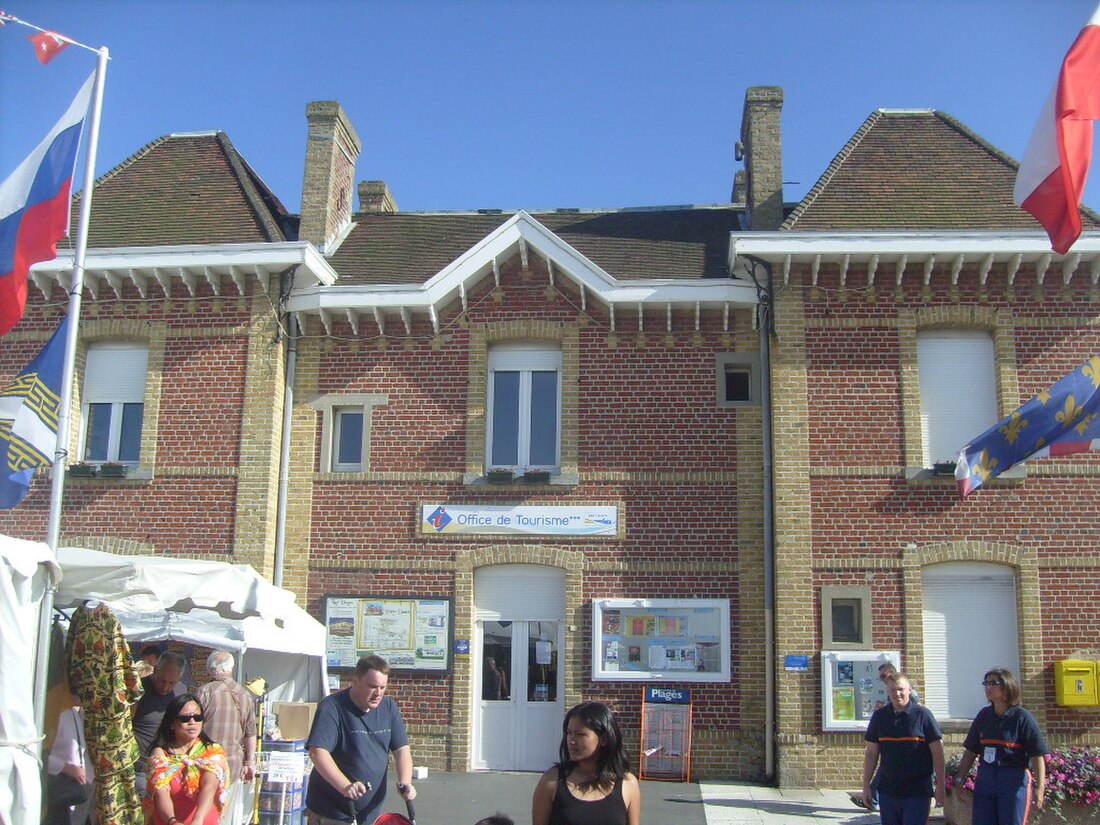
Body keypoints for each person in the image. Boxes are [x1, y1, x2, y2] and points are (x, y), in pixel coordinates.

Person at [305, 654, 417, 824]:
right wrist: (345, 786)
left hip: (370, 814)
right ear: (355, 680)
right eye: (372, 686)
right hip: (333, 812)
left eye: (382, 687)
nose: (378, 693)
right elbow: (317, 752)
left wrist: (405, 783)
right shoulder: (332, 707)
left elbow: (402, 750)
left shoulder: (388, 707)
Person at [953, 668, 1048, 825]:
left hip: (1013, 780)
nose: (987, 687)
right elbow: (970, 752)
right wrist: (959, 779)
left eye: (993, 683)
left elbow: (1037, 755)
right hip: (986, 779)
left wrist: (1040, 788)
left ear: (1007, 686)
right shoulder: (983, 716)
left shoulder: (1022, 717)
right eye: (986, 683)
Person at [532, 701, 641, 825]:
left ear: (604, 738)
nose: (571, 741)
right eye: (569, 733)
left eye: (580, 734)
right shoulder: (552, 780)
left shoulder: (628, 784)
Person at [861, 672, 945, 825]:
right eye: (893, 690)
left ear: (909, 691)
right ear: (888, 692)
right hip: (888, 791)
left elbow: (938, 752)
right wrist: (866, 785)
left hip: (917, 792)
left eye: (901, 689)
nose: (897, 694)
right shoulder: (880, 717)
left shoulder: (923, 715)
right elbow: (872, 753)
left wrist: (940, 785)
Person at [144, 693, 230, 825]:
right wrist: (172, 821)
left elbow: (209, 786)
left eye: (197, 717)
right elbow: (161, 792)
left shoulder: (212, 752)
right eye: (185, 718)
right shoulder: (161, 754)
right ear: (172, 723)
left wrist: (198, 819)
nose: (192, 722)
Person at [855, 663, 922, 810]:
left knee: (886, 770)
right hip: (891, 740)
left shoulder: (911, 694)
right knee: (884, 769)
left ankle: (873, 799)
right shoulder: (889, 693)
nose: (883, 679)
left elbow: (914, 715)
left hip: (906, 742)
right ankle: (873, 798)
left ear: (892, 672)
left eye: (884, 675)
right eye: (881, 677)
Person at [134, 652, 187, 794]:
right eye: (162, 681)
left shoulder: (181, 691)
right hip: (140, 767)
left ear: (179, 678)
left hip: (168, 765)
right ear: (155, 669)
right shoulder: (139, 689)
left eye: (171, 683)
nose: (165, 687)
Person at [44, 699, 94, 825]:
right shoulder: (53, 714)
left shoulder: (74, 713)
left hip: (80, 788)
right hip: (60, 788)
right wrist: (66, 768)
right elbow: (39, 754)